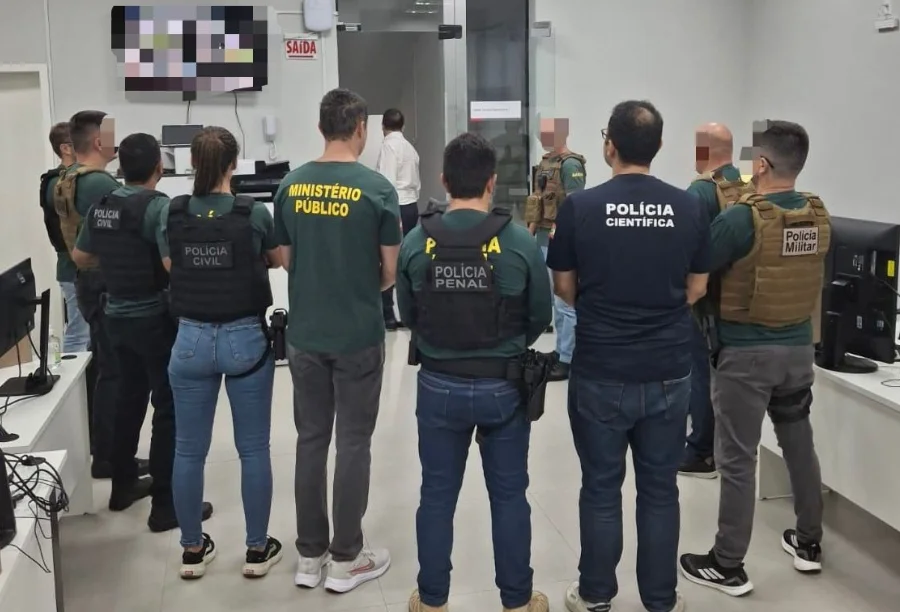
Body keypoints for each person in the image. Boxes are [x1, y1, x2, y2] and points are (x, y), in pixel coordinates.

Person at [548, 100, 710, 612]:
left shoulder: (582, 207)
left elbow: (564, 287)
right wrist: (657, 308)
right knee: (660, 490)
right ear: (659, 147)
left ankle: (596, 595)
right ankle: (661, 600)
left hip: (601, 369)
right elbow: (697, 287)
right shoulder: (688, 207)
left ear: (608, 146)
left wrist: (607, 309)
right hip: (668, 370)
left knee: (600, 487)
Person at [397, 132, 553, 612]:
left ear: (444, 181)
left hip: (437, 385)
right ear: (492, 181)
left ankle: (432, 600)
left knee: (436, 497)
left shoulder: (416, 240)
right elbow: (539, 316)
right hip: (504, 386)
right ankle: (517, 601)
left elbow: (408, 316)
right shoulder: (519, 241)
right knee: (509, 496)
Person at [680, 121, 828, 597]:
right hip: (798, 351)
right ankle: (808, 543)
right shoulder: (816, 214)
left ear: (760, 164)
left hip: (746, 355)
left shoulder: (743, 218)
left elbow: (696, 272)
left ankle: (727, 564)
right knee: (798, 443)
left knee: (737, 458)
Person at [273, 88, 400, 593]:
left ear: (322, 127)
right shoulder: (376, 189)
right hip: (358, 335)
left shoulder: (290, 185)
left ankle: (310, 558)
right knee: (352, 442)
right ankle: (346, 559)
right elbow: (389, 272)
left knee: (310, 441)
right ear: (360, 129)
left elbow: (285, 258)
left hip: (304, 334)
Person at [72, 133, 211, 533]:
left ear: (120, 165)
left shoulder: (102, 205)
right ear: (159, 168)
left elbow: (82, 256)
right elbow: (171, 264)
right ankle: (165, 506)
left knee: (127, 399)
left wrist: (117, 258)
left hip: (113, 315)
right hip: (153, 318)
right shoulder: (158, 207)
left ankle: (122, 487)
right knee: (167, 409)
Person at [161, 126, 281, 579]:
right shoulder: (253, 213)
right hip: (245, 340)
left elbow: (171, 265)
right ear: (233, 164)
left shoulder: (171, 213)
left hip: (189, 341)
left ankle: (192, 550)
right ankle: (256, 550)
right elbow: (274, 260)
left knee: (188, 451)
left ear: (192, 163)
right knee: (253, 449)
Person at [54, 110, 147, 481]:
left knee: (107, 368)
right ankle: (110, 457)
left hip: (84, 279)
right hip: (104, 282)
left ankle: (106, 450)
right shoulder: (99, 185)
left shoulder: (65, 178)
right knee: (116, 373)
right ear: (97, 142)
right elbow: (123, 235)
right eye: (110, 136)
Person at [679, 123, 754, 479]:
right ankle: (721, 446)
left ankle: (701, 452)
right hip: (743, 299)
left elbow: (686, 251)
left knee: (700, 375)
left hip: (706, 302)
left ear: (704, 150)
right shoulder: (748, 186)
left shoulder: (700, 191)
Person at [524, 117, 586, 382]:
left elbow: (575, 204)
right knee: (553, 301)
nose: (542, 137)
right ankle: (562, 351)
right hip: (541, 236)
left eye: (548, 132)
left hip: (559, 239)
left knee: (564, 301)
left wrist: (562, 232)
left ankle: (568, 358)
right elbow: (537, 201)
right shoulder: (546, 163)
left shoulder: (570, 164)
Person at [42, 122, 90, 354]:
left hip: (86, 269)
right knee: (78, 336)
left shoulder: (80, 178)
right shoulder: (56, 183)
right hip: (72, 269)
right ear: (66, 149)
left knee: (89, 337)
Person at [376, 108, 420, 330]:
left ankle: (388, 315)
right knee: (407, 260)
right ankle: (408, 311)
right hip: (411, 205)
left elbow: (386, 184)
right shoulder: (410, 148)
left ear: (383, 126)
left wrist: (391, 214)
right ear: (403, 126)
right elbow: (417, 183)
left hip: (396, 207)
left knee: (388, 259)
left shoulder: (389, 146)